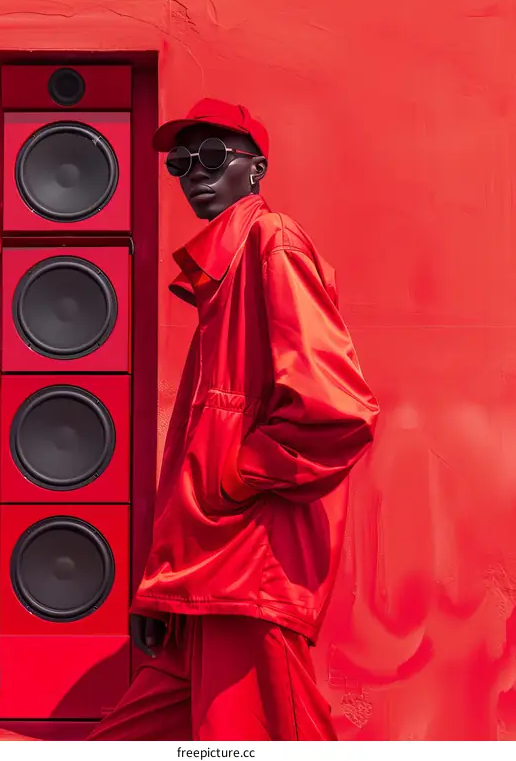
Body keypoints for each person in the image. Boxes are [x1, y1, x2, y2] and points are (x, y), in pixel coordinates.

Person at [89, 98, 379, 742]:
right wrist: (158, 590)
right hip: (207, 573)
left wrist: (235, 476)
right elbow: (193, 454)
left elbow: (337, 410)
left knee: (265, 741)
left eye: (214, 156)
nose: (195, 172)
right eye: (181, 162)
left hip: (249, 567)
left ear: (257, 168)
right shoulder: (221, 275)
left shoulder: (271, 244)